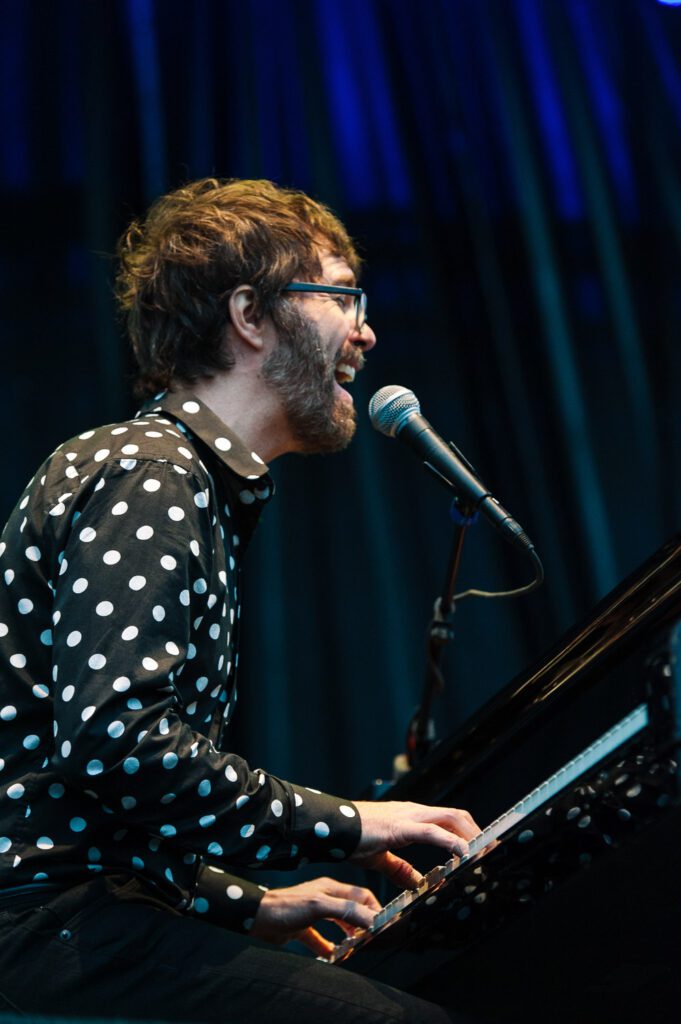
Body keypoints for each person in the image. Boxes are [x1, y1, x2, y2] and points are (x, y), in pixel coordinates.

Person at [0, 179, 480, 1023]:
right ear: (251, 316)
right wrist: (354, 822)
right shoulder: (152, 473)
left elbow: (109, 797)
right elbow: (121, 747)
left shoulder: (181, 477)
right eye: (342, 295)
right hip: (42, 933)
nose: (365, 330)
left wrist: (245, 903)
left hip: (78, 917)